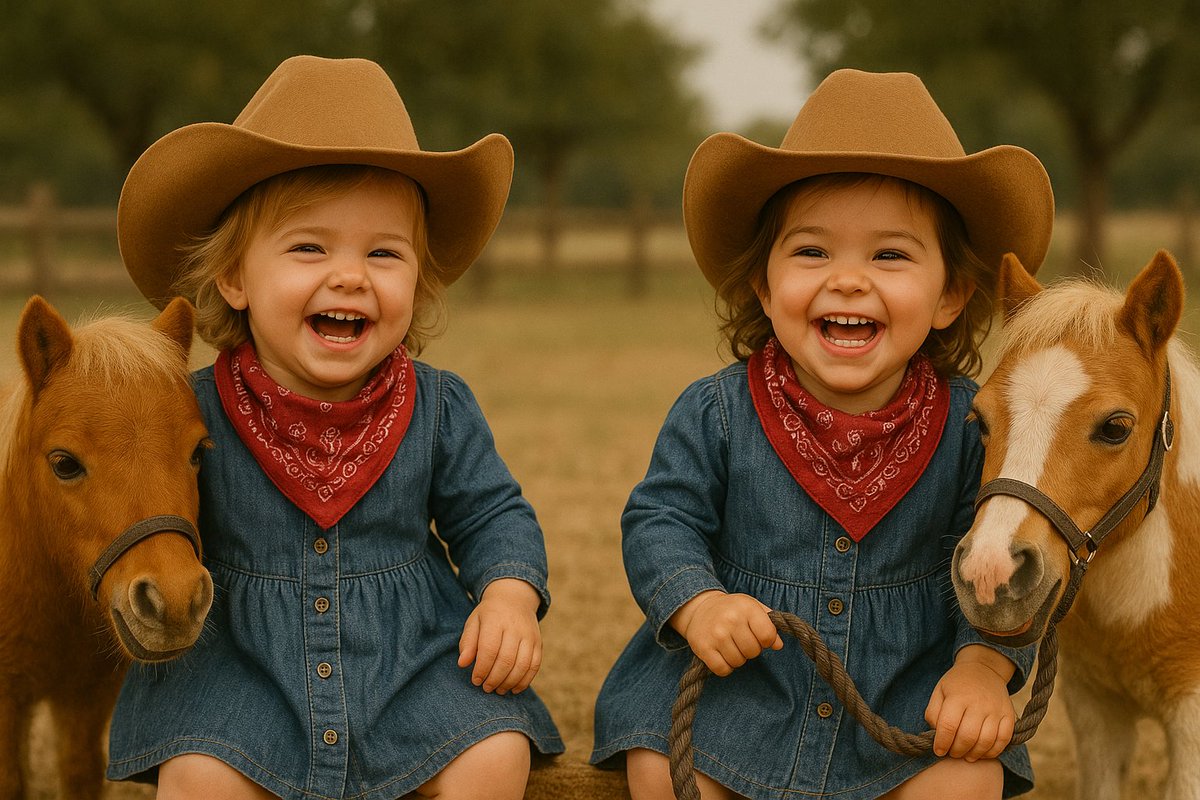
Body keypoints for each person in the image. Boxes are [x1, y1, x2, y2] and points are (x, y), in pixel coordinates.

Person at [106, 55, 562, 800]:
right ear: (235, 279)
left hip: (412, 661)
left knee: (495, 753)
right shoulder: (189, 409)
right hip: (239, 670)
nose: (350, 276)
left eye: (384, 253)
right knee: (200, 776)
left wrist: (508, 594)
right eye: (309, 247)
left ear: (417, 282)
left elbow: (492, 514)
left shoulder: (439, 405)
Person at [590, 69, 1054, 799]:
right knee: (660, 762)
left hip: (901, 701)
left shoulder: (974, 426)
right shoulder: (715, 412)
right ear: (764, 286)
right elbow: (659, 521)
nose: (847, 280)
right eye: (811, 252)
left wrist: (982, 670)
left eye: (890, 255)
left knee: (968, 778)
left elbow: (1002, 561)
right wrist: (700, 604)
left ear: (951, 295)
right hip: (739, 687)